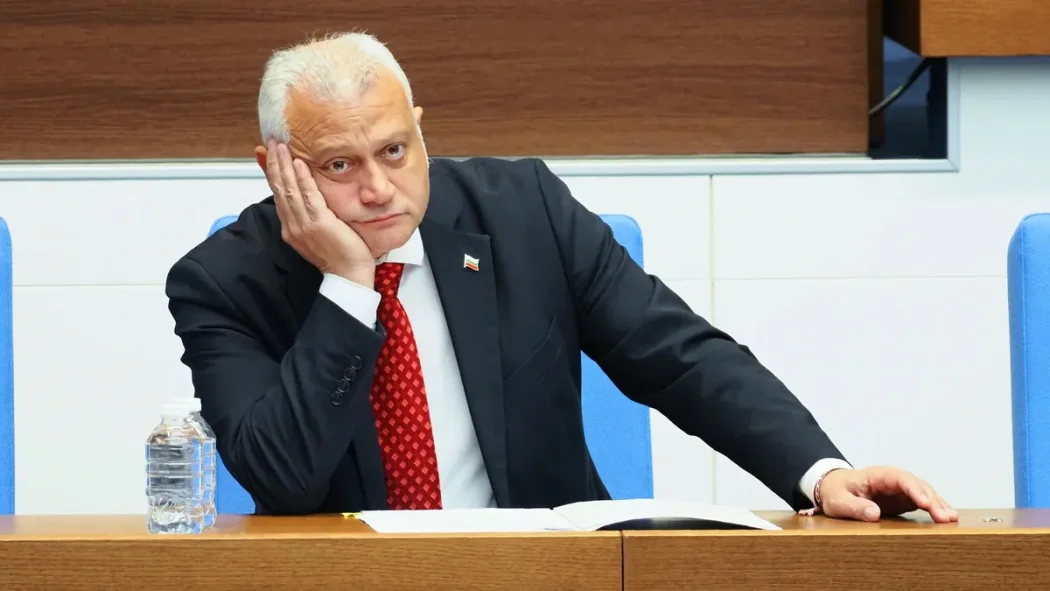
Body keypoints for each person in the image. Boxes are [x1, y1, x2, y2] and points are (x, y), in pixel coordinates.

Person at [165, 32, 957, 523]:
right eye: (340, 165)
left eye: (395, 151)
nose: (378, 188)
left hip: (545, 576)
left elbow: (679, 355)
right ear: (276, 170)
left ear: (421, 132)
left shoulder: (523, 211)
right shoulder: (223, 282)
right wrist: (348, 286)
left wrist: (822, 473)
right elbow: (283, 478)